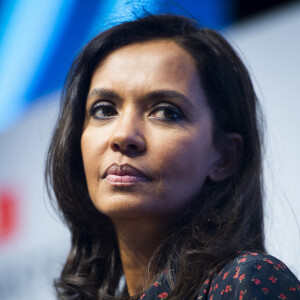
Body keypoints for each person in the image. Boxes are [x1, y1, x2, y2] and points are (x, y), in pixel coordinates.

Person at [46, 14, 300, 299]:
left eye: (166, 112)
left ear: (225, 157)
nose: (123, 136)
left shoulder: (246, 280)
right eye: (104, 110)